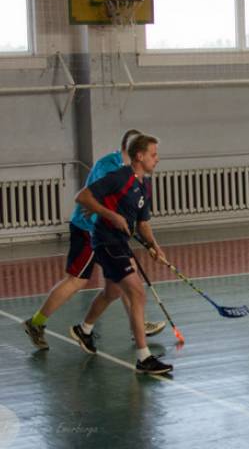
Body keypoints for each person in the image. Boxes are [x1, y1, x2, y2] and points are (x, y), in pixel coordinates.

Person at [23, 130, 165, 351]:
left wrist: (150, 244)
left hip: (111, 235)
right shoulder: (109, 167)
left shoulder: (137, 177)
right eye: (151, 153)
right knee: (77, 281)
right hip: (89, 230)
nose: (155, 158)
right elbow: (89, 198)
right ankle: (36, 322)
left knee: (123, 280)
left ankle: (135, 326)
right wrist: (106, 212)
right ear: (135, 153)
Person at [71, 134, 173, 374]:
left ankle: (83, 330)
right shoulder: (120, 177)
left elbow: (143, 223)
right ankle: (143, 357)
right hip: (106, 241)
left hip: (121, 242)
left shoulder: (144, 184)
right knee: (137, 292)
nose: (157, 159)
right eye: (153, 154)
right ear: (139, 156)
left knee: (113, 291)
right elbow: (82, 197)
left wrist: (154, 247)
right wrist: (111, 215)